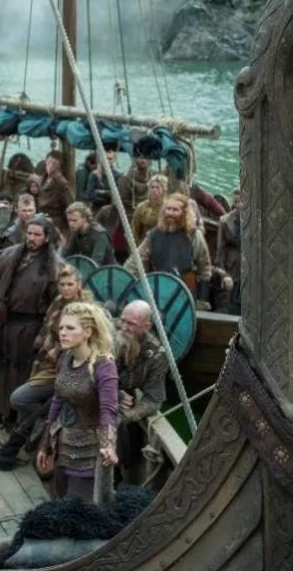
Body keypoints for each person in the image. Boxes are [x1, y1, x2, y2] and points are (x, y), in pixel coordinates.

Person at [0, 265, 94, 471]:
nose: (66, 288)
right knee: (24, 405)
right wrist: (42, 338)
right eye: (62, 284)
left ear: (79, 285)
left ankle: (32, 433)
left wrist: (58, 350)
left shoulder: (85, 310)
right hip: (47, 364)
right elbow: (48, 325)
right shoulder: (58, 302)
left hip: (69, 370)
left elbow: (84, 342)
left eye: (70, 284)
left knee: (20, 399)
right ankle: (18, 447)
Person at [0, 217, 62, 432]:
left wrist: (43, 334)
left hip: (28, 328)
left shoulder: (54, 266)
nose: (31, 238)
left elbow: (56, 306)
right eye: (29, 233)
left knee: (19, 375)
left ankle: (12, 416)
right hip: (1, 322)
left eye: (37, 235)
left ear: (46, 237)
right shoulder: (9, 255)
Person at [37, 301, 119, 501]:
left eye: (70, 328)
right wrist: (45, 443)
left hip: (89, 451)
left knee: (77, 507)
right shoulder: (65, 358)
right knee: (58, 498)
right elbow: (57, 400)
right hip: (63, 444)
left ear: (87, 332)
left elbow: (108, 410)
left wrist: (108, 445)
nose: (62, 333)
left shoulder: (104, 366)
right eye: (61, 328)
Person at [126, 193, 227, 309]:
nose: (170, 213)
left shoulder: (194, 236)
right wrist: (124, 278)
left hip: (185, 290)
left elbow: (204, 268)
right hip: (158, 288)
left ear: (184, 213)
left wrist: (202, 300)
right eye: (168, 209)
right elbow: (136, 261)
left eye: (175, 210)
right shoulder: (154, 235)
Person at [113, 301, 167, 483]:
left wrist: (128, 415)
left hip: (123, 401)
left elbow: (153, 400)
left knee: (121, 424)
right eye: (122, 321)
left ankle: (117, 475)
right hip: (94, 392)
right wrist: (114, 395)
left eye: (131, 324)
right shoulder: (107, 336)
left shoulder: (156, 354)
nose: (124, 327)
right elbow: (87, 375)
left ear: (147, 327)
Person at [62, 202, 115, 266]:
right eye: (69, 220)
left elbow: (96, 262)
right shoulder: (76, 232)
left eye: (74, 220)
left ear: (84, 218)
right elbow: (66, 254)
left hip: (107, 269)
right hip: (88, 266)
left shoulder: (100, 234)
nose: (71, 224)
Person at [215, 188, 242, 314]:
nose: (239, 205)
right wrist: (223, 273)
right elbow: (220, 249)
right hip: (232, 264)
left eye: (241, 201)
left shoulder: (255, 219)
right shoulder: (224, 221)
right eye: (236, 202)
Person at [37, 150, 74, 234]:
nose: (50, 166)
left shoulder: (61, 182)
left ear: (59, 166)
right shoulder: (44, 178)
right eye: (49, 162)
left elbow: (70, 203)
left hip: (54, 219)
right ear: (45, 162)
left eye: (54, 164)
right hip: (40, 215)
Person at [130, 174, 167, 242]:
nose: (154, 190)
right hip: (144, 243)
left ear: (163, 190)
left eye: (157, 187)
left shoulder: (167, 207)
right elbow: (134, 229)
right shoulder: (141, 207)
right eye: (152, 187)